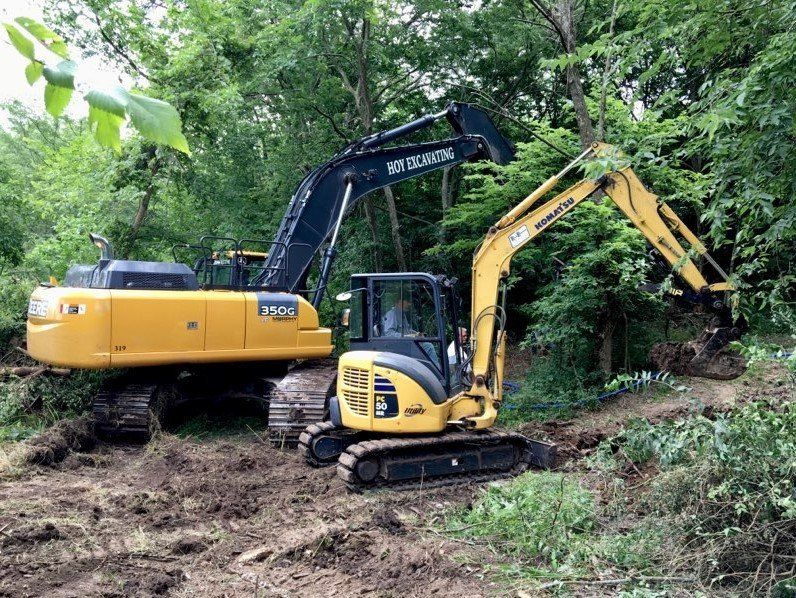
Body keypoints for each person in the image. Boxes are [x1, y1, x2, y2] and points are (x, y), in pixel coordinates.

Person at [381, 295, 439, 364]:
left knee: (426, 344)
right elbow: (388, 334)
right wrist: (407, 336)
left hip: (406, 345)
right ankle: (435, 369)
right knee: (429, 347)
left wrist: (417, 334)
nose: (410, 304)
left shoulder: (402, 314)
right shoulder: (391, 314)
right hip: (398, 347)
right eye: (408, 302)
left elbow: (407, 329)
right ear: (399, 301)